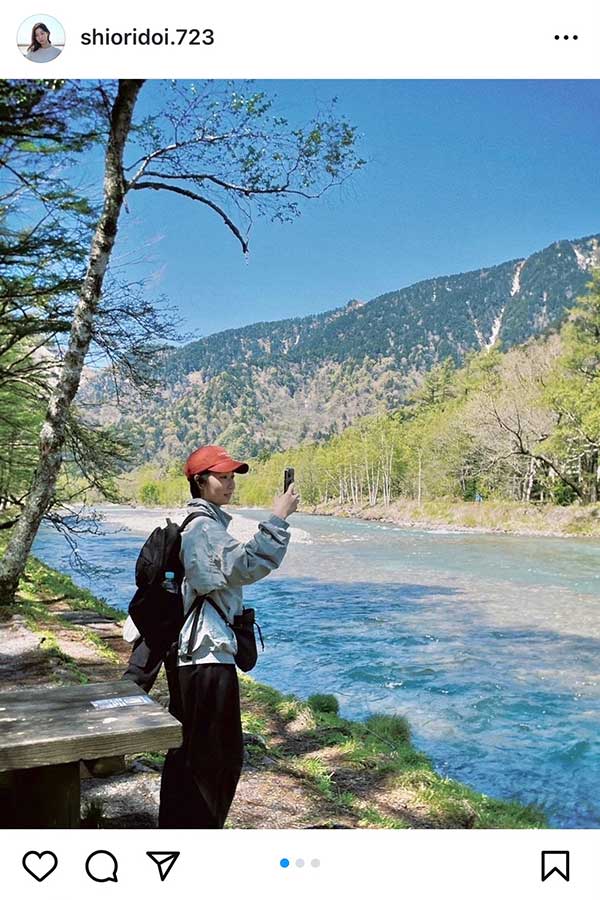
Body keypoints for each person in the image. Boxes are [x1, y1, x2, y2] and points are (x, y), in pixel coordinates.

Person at [157, 444, 299, 828]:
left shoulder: (202, 524)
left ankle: (176, 832)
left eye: (232, 475)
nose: (230, 482)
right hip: (206, 654)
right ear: (199, 482)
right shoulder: (203, 528)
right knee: (216, 757)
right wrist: (279, 518)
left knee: (190, 751)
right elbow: (245, 564)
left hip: (193, 653)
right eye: (222, 476)